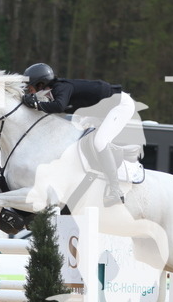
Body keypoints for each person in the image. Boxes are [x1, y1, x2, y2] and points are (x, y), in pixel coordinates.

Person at [22, 63, 132, 205]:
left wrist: (36, 104)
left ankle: (116, 190)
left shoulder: (61, 88)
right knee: (76, 135)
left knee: (100, 141)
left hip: (119, 106)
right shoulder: (51, 92)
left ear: (40, 84)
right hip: (101, 110)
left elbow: (59, 106)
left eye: (30, 88)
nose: (29, 93)